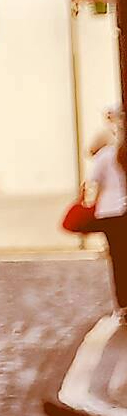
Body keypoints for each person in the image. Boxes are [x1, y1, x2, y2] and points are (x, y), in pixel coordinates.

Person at [83, 115, 127, 318]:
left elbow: (96, 184)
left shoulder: (103, 157)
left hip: (109, 213)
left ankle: (123, 304)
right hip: (124, 210)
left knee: (117, 258)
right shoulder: (121, 153)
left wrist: (92, 206)